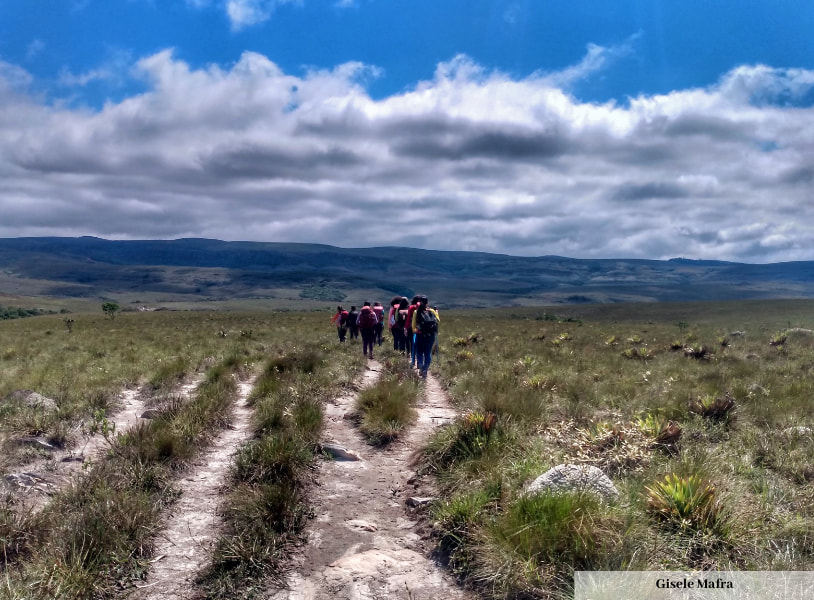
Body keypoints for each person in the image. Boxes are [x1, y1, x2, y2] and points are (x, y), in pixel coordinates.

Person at [412, 295, 439, 378]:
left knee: (419, 352)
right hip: (430, 336)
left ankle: (420, 364)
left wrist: (416, 331)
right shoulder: (431, 311)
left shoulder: (416, 312)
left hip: (420, 334)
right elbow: (438, 320)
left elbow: (413, 326)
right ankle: (425, 370)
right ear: (427, 303)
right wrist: (436, 312)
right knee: (427, 352)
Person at [405, 296, 420, 368]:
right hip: (422, 329)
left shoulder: (411, 308)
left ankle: (413, 360)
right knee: (420, 345)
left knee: (413, 343)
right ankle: (419, 361)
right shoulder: (425, 308)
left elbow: (408, 319)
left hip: (412, 328)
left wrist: (406, 327)